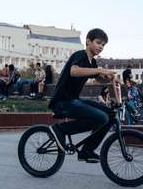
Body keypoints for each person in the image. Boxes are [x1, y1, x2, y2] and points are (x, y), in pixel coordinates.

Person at [48, 28, 120, 163]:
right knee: (100, 117)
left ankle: (87, 150)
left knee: (109, 115)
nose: (101, 47)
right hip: (62, 102)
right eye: (98, 43)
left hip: (73, 100)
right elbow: (73, 71)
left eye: (103, 45)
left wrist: (109, 78)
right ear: (88, 41)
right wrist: (100, 70)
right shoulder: (80, 55)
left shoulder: (92, 62)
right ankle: (61, 129)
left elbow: (98, 79)